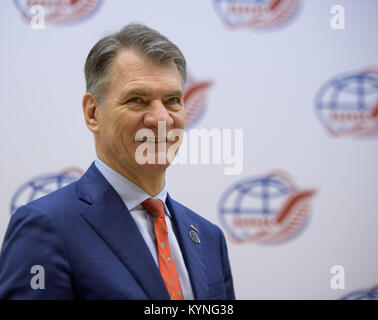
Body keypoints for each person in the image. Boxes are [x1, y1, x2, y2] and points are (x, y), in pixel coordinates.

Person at [0, 23, 235, 300]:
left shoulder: (209, 238)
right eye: (137, 99)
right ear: (93, 113)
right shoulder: (45, 226)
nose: (161, 119)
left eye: (172, 100)